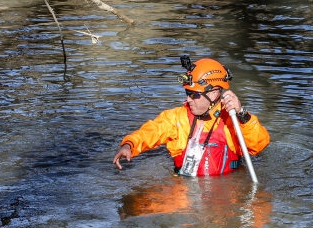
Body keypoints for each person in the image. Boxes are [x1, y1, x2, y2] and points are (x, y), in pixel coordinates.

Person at [113, 57, 270, 176]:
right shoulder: (177, 118)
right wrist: (129, 145)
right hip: (183, 194)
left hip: (225, 196)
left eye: (194, 95)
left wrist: (242, 114)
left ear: (214, 93)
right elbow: (151, 131)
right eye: (187, 93)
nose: (188, 99)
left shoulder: (232, 120)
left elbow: (258, 145)